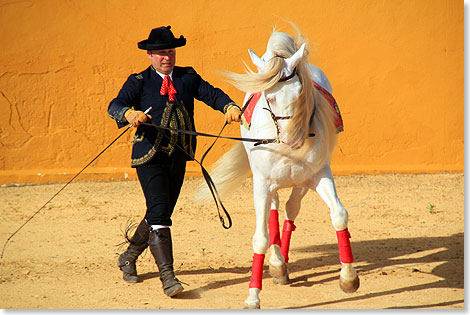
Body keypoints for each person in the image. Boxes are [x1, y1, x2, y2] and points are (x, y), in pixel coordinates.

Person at [107, 26, 241, 297]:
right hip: (149, 156)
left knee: (160, 212)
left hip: (178, 156)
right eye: (160, 53)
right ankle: (168, 277)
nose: (166, 58)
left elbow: (211, 93)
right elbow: (115, 105)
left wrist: (229, 106)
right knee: (159, 212)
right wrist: (129, 113)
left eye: (170, 52)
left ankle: (128, 256)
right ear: (150, 55)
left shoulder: (187, 77)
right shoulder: (139, 81)